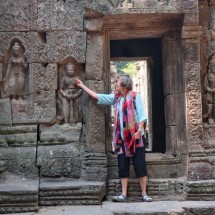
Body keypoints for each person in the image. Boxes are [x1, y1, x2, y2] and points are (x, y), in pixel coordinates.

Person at [75, 74, 152, 203]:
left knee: (140, 166)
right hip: (121, 140)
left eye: (118, 81)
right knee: (122, 166)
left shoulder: (134, 96)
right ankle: (123, 194)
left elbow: (142, 116)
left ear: (125, 84)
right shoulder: (116, 98)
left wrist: (139, 131)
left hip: (136, 138)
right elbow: (97, 96)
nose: (116, 83)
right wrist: (82, 86)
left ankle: (144, 194)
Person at [58, 63, 82, 127]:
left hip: (75, 93)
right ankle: (66, 122)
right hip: (66, 93)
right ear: (66, 70)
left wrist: (77, 95)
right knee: (66, 108)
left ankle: (77, 121)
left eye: (71, 70)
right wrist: (65, 95)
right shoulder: (64, 78)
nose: (70, 71)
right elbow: (60, 89)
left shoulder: (77, 78)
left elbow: (81, 88)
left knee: (77, 107)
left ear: (74, 70)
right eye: (69, 70)